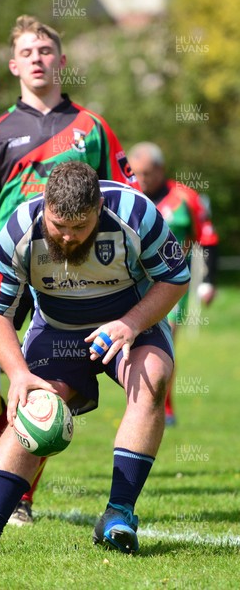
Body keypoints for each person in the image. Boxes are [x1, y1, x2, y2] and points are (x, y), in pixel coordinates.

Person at [0, 161, 190, 558]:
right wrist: (19, 374)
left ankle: (118, 514)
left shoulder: (136, 212)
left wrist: (129, 324)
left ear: (99, 208)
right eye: (60, 226)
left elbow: (175, 277)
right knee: (34, 406)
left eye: (81, 227)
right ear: (45, 205)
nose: (70, 237)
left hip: (129, 321)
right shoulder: (19, 228)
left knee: (153, 377)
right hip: (59, 327)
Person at [0, 14, 140, 524]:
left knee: (50, 385)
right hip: (9, 263)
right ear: (14, 65)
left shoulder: (92, 128)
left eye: (45, 50)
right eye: (27, 52)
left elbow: (128, 197)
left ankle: (20, 500)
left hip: (72, 271)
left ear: (61, 60)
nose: (37, 58)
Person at [128, 142, 218, 426]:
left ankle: (164, 407)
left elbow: (208, 237)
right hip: (132, 283)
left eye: (146, 173)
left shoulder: (184, 197)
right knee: (131, 345)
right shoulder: (127, 196)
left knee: (164, 341)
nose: (141, 179)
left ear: (160, 169)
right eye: (135, 172)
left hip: (171, 284)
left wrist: (208, 282)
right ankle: (140, 406)